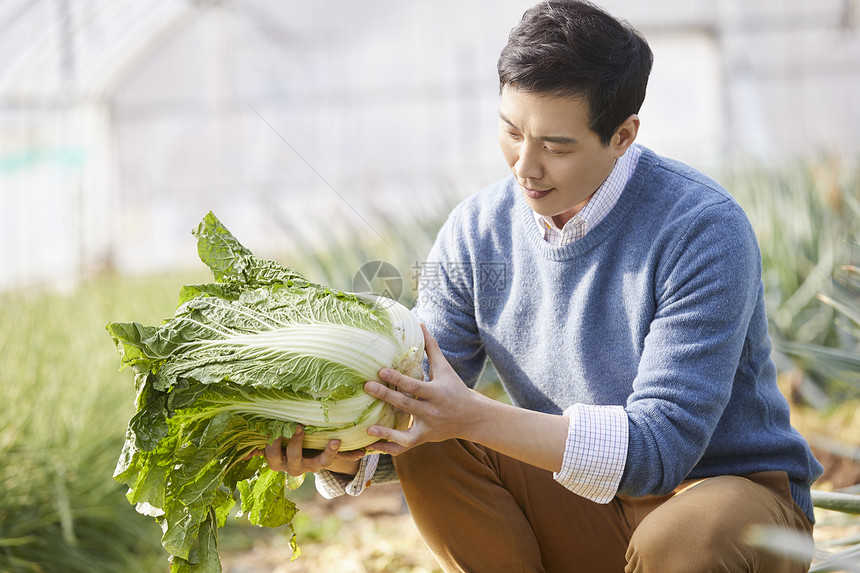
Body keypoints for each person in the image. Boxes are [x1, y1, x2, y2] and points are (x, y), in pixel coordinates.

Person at [261, 1, 824, 570]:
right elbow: (415, 402)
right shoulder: (477, 232)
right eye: (511, 131)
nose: (525, 167)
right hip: (583, 502)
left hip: (726, 505)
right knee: (432, 439)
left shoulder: (701, 228)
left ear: (623, 135)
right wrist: (331, 449)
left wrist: (472, 416)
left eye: (555, 146)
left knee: (685, 536)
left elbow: (660, 451)